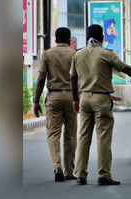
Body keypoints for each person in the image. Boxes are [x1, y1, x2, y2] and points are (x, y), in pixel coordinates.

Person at [70, 24, 131, 186]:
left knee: (83, 137)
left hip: (84, 98)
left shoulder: (78, 55)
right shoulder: (106, 54)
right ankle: (103, 175)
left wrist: (75, 99)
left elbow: (72, 79)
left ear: (86, 37)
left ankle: (80, 174)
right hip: (101, 101)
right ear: (102, 38)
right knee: (103, 138)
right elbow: (128, 70)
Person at [34, 27, 77, 182]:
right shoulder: (75, 54)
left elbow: (41, 80)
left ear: (55, 40)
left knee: (53, 133)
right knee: (70, 135)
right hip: (72, 97)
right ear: (69, 40)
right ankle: (69, 171)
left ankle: (57, 166)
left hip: (54, 97)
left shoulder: (47, 53)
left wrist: (36, 101)